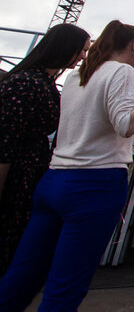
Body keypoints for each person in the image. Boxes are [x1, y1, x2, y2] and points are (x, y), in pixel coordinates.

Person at [0, 20, 134, 311]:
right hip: (94, 184)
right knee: (65, 286)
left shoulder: (75, 77)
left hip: (53, 181)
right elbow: (126, 124)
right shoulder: (123, 71)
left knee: (22, 275)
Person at [0, 23, 91, 274]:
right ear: (66, 47)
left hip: (31, 177)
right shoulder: (26, 84)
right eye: (82, 50)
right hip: (16, 180)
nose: (84, 56)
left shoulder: (47, 84)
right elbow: (4, 144)